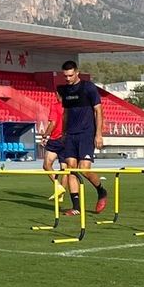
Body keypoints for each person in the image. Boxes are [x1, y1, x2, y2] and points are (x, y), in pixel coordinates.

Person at [57, 61, 108, 214]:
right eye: (65, 76)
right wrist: (64, 132)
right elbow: (66, 113)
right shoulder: (64, 90)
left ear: (77, 73)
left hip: (86, 134)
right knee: (71, 169)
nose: (67, 78)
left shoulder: (88, 88)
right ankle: (76, 208)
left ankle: (101, 191)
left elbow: (99, 111)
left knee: (84, 170)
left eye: (70, 75)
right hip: (70, 135)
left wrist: (98, 134)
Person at [38, 100, 77, 210]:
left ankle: (58, 186)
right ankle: (61, 195)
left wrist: (45, 135)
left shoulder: (55, 106)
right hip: (67, 139)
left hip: (56, 139)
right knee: (64, 168)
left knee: (46, 165)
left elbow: (53, 123)